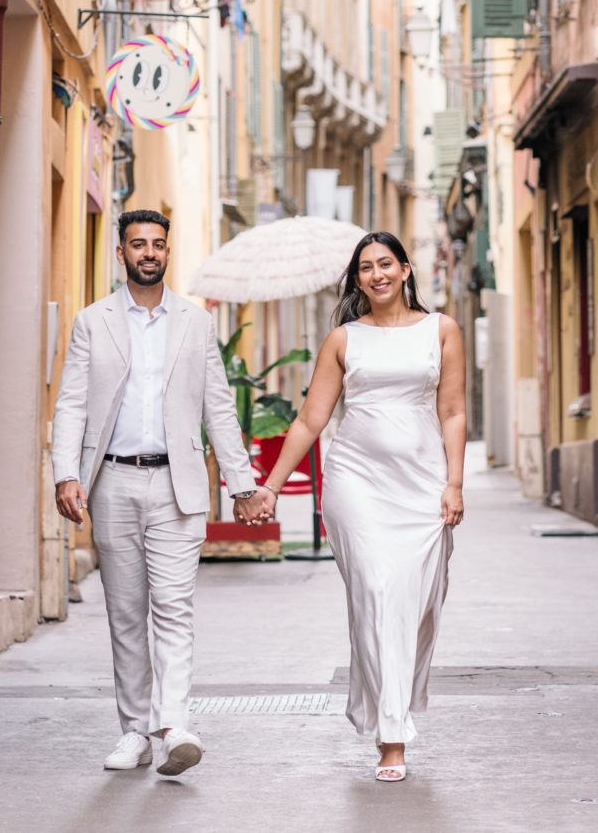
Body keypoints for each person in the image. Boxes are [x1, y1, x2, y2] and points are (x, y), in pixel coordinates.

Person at [51, 209, 269, 777]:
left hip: (178, 484)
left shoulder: (195, 324)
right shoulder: (92, 322)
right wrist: (65, 473)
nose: (149, 252)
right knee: (126, 613)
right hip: (113, 482)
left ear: (169, 253)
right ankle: (134, 732)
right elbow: (72, 402)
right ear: (120, 253)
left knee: (173, 607)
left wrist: (242, 485)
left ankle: (172, 727)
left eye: (158, 244)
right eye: (137, 244)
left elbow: (218, 407)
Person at [255, 231, 465, 782]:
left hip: (422, 484)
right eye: (366, 267)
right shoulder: (344, 340)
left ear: (406, 269)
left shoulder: (441, 330)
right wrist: (271, 486)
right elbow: (309, 420)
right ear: (357, 279)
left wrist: (455, 483)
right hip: (355, 482)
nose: (377, 275)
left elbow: (453, 413)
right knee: (375, 592)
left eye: (386, 264)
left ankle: (390, 703)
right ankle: (390, 736)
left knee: (415, 604)